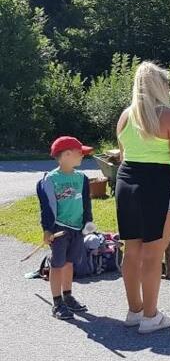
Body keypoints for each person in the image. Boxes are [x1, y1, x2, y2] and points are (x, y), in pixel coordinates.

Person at [115, 61, 170, 334]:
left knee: (132, 250)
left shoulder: (125, 116)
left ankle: (135, 310)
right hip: (159, 184)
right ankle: (151, 317)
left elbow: (122, 155)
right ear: (160, 85)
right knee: (154, 253)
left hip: (126, 181)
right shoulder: (169, 116)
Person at [36, 136, 94, 319]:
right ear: (67, 154)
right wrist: (47, 229)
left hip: (77, 228)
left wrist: (88, 221)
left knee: (70, 263)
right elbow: (46, 207)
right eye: (80, 153)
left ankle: (68, 296)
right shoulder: (50, 180)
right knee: (57, 264)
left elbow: (86, 202)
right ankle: (57, 302)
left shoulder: (82, 178)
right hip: (59, 229)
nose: (83, 156)